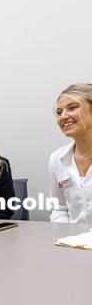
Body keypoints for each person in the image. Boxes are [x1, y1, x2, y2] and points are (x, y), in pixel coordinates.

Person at [49, 83, 92, 223]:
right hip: (74, 242)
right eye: (59, 112)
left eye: (72, 108)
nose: (63, 117)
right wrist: (68, 237)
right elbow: (59, 209)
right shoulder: (57, 159)